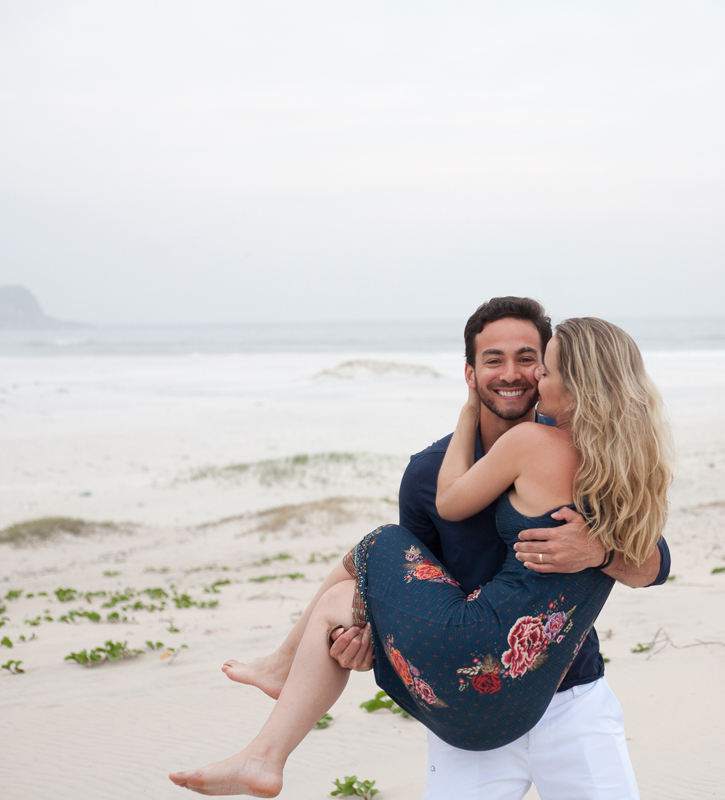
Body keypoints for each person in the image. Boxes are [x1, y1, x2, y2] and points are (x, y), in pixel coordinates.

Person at [171, 302, 672, 798]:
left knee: (375, 544)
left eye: (533, 359)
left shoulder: (562, 451)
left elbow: (653, 566)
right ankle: (277, 700)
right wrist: (361, 640)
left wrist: (600, 553)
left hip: (569, 699)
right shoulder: (617, 461)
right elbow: (408, 591)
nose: (521, 373)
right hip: (477, 694)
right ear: (471, 372)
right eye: (493, 360)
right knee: (340, 603)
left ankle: (276, 699)